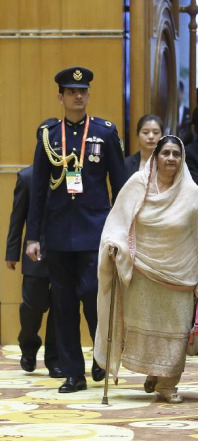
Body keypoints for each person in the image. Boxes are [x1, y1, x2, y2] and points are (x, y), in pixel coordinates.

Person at [26, 66, 126, 393]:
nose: (77, 96)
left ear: (88, 95)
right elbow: (38, 188)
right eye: (71, 91)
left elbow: (120, 184)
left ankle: (100, 357)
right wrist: (34, 236)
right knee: (64, 303)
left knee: (91, 294)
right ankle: (73, 373)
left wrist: (122, 231)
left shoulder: (105, 132)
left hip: (95, 230)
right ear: (61, 96)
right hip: (57, 232)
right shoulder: (48, 134)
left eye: (82, 91)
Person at [94, 135, 198, 403]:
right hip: (142, 271)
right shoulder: (137, 184)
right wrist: (114, 244)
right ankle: (156, 374)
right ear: (155, 157)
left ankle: (168, 383)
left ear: (182, 159)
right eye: (165, 153)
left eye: (176, 154)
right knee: (146, 329)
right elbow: (117, 222)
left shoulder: (191, 193)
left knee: (177, 332)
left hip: (180, 274)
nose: (170, 158)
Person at [5, 159, 61, 378]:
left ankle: (55, 360)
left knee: (60, 308)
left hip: (65, 253)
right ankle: (28, 348)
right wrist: (12, 252)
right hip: (34, 254)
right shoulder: (27, 177)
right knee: (32, 307)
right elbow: (17, 217)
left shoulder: (71, 174)